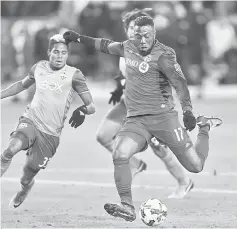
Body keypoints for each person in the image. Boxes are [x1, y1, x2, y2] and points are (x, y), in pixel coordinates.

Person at [63, 16, 222, 222]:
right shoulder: (127, 47)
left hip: (164, 119)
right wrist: (78, 38)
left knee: (196, 166)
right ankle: (127, 206)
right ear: (133, 35)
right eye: (139, 36)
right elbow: (103, 45)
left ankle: (205, 127)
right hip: (137, 119)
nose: (143, 40)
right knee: (120, 154)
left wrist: (188, 112)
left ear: (154, 34)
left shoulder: (165, 55)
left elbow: (180, 85)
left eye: (147, 36)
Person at [95, 8, 194, 199]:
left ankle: (184, 182)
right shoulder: (125, 49)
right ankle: (136, 165)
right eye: (131, 28)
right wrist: (119, 86)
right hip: (127, 105)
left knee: (159, 148)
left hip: (151, 109)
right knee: (103, 135)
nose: (134, 32)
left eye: (137, 28)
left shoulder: (151, 51)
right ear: (126, 30)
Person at [1, 34, 95, 208]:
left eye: (63, 53)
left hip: (50, 135)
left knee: (27, 175)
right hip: (31, 120)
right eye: (56, 52)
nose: (59, 56)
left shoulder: (75, 75)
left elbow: (91, 106)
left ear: (67, 54)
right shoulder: (39, 68)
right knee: (10, 149)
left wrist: (82, 110)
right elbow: (22, 85)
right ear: (48, 53)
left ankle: (25, 188)